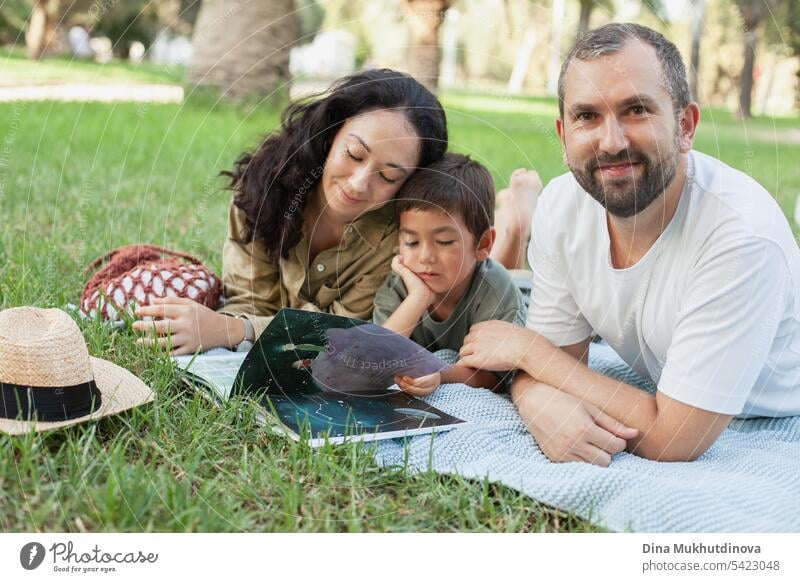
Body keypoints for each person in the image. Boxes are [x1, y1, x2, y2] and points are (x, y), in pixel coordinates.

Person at [458, 23, 800, 465]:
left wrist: (528, 351)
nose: (611, 142)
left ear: (685, 126)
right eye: (587, 116)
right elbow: (552, 366)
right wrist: (536, 401)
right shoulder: (563, 206)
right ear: (563, 137)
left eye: (636, 109)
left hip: (767, 414)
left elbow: (675, 439)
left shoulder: (740, 236)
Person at [133, 69, 537, 355]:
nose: (360, 183)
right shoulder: (266, 188)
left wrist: (230, 330)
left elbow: (345, 332)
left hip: (477, 277)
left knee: (476, 280)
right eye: (354, 153)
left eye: (389, 175)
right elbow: (249, 298)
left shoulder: (396, 240)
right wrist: (218, 323)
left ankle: (514, 223)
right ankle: (513, 223)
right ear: (331, 132)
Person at [372, 153, 532, 395]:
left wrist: (440, 374)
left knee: (507, 271)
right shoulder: (399, 286)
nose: (425, 257)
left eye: (444, 241)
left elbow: (496, 377)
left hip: (524, 290)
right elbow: (376, 357)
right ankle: (511, 212)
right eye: (412, 242)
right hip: (477, 268)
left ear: (483, 243)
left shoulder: (498, 293)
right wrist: (418, 298)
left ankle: (519, 221)